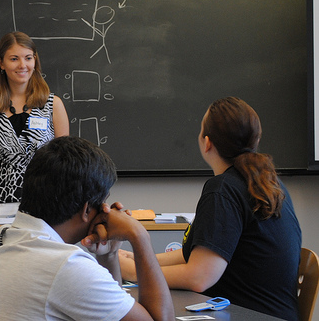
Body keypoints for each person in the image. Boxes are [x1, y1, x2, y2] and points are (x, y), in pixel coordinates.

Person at [119, 97, 302, 320]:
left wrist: (133, 271)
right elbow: (200, 255)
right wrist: (140, 258)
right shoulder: (268, 184)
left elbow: (199, 276)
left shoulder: (223, 189)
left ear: (207, 143)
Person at [0, 136, 174, 320]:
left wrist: (109, 255)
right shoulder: (66, 266)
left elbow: (111, 315)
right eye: (103, 203)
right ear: (85, 210)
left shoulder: (1, 241)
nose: (107, 210)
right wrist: (139, 235)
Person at [0, 31, 69, 216]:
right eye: (14, 59)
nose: (22, 65)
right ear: (1, 63)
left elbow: (64, 162)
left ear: (35, 61)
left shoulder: (53, 105)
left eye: (28, 58)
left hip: (46, 206)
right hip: (0, 206)